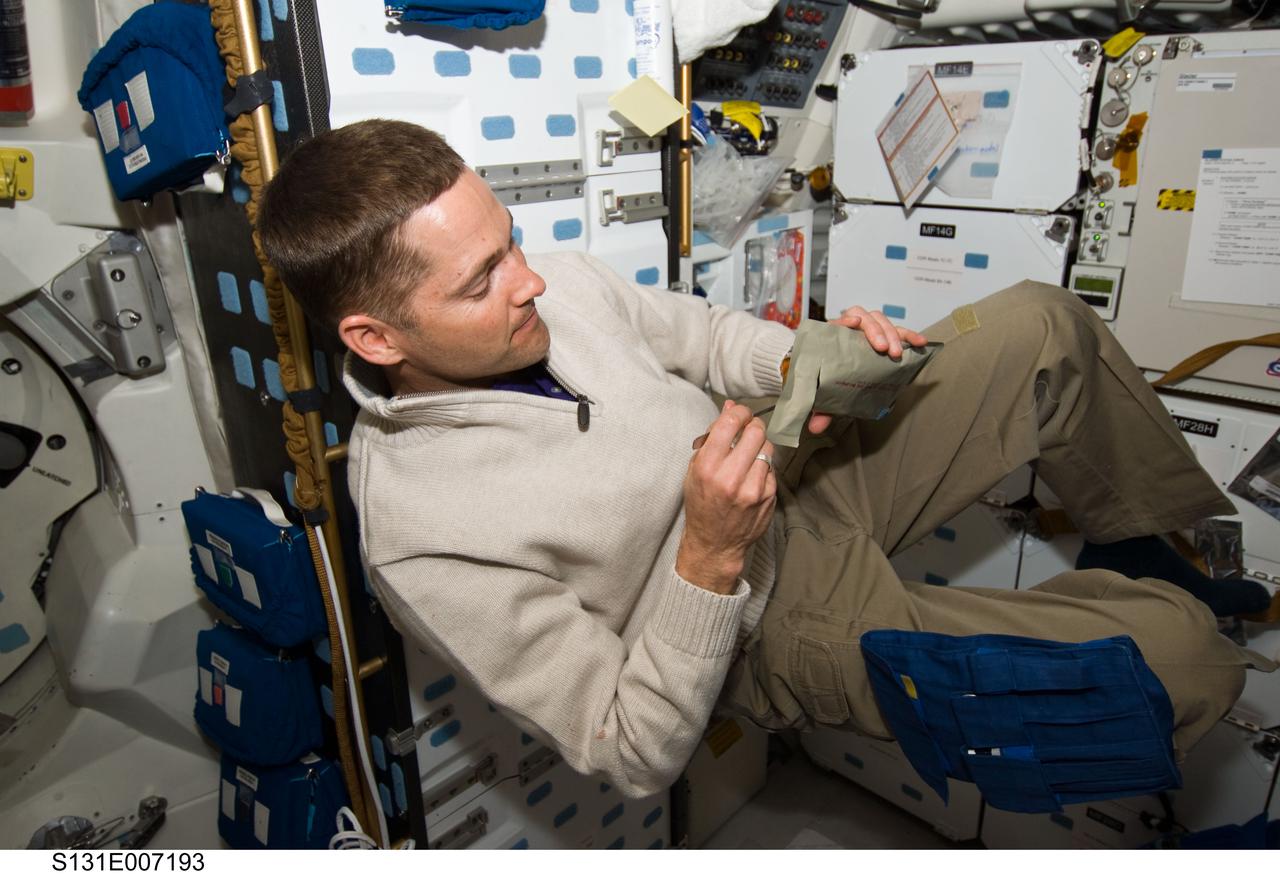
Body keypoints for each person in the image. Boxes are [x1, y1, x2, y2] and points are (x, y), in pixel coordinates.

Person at [259, 119, 1275, 802]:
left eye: (511, 242)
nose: (531, 281)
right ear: (376, 338)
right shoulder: (422, 535)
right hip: (763, 626)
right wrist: (707, 558)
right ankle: (1100, 631)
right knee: (1188, 662)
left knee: (1043, 326)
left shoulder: (553, 285)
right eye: (482, 280)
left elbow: (702, 337)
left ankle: (1133, 539)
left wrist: (806, 364)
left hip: (794, 475)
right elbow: (630, 748)